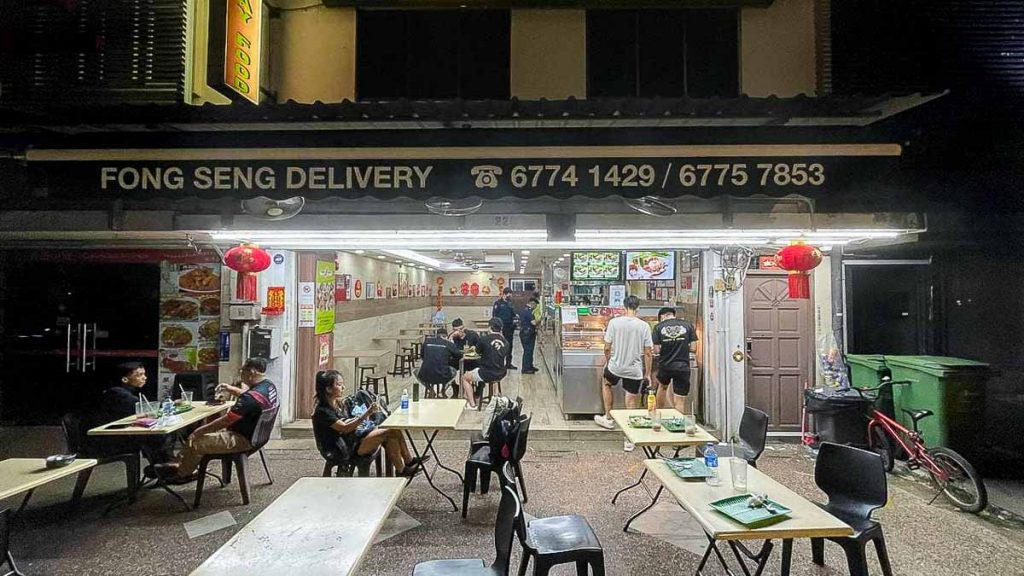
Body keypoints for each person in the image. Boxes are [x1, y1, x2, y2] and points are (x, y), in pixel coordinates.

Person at [155, 357, 279, 483]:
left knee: (195, 441)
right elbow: (251, 398)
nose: (240, 373)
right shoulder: (268, 386)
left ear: (252, 372)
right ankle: (180, 463)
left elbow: (225, 420)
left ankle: (183, 475)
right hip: (257, 437)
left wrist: (198, 431)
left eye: (242, 370)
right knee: (201, 436)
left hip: (241, 439)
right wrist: (230, 389)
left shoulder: (249, 399)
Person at [312, 370, 425, 477]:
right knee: (389, 432)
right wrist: (367, 413)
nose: (343, 387)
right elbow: (345, 428)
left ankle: (404, 466)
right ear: (328, 389)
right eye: (339, 384)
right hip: (342, 449)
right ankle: (405, 466)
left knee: (393, 433)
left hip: (353, 439)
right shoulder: (323, 411)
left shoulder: (338, 403)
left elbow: (349, 422)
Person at [593, 295, 653, 452]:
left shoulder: (614, 322)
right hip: (634, 369)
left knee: (606, 383)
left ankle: (608, 418)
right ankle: (629, 439)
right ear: (638, 308)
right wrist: (647, 373)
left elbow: (607, 347)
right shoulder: (644, 326)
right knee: (631, 401)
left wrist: (608, 360)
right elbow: (648, 352)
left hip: (615, 366)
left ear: (624, 307)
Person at [92, 362, 172, 464]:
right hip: (110, 438)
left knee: (157, 434)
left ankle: (162, 467)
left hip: (119, 433)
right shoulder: (118, 394)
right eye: (139, 375)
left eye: (144, 374)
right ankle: (163, 467)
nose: (145, 378)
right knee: (160, 435)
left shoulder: (124, 391)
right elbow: (146, 410)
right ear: (125, 379)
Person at [652, 307, 698, 414]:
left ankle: (659, 415)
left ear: (662, 316)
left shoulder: (658, 327)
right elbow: (694, 348)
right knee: (679, 399)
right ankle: (678, 423)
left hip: (665, 365)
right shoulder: (688, 325)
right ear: (673, 314)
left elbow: (657, 350)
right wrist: (682, 347)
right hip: (683, 366)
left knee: (662, 388)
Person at [461, 318, 509, 409]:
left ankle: (472, 405)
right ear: (501, 329)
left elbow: (477, 353)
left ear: (490, 327)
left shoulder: (484, 339)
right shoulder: (506, 342)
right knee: (493, 378)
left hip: (486, 373)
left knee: (465, 377)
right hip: (501, 372)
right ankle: (494, 398)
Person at [416, 328, 462, 397]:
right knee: (454, 371)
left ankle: (430, 389)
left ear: (436, 335)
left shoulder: (427, 341)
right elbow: (459, 355)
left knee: (416, 372)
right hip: (443, 375)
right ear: (446, 336)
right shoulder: (448, 344)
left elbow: (422, 356)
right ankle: (442, 390)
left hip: (426, 374)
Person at [492, 287, 517, 370]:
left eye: (510, 295)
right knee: (500, 345)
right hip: (501, 328)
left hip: (510, 327)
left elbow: (513, 314)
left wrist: (516, 317)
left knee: (509, 346)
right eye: (509, 295)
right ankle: (499, 364)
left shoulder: (510, 304)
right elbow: (494, 316)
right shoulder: (498, 303)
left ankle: (508, 363)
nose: (510, 297)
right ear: (504, 294)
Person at [519, 298, 540, 374]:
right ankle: (525, 369)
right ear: (532, 303)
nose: (535, 307)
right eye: (535, 305)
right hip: (527, 334)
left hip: (527, 333)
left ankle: (530, 366)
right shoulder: (528, 311)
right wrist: (540, 319)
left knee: (530, 351)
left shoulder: (526, 310)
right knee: (527, 351)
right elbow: (534, 323)